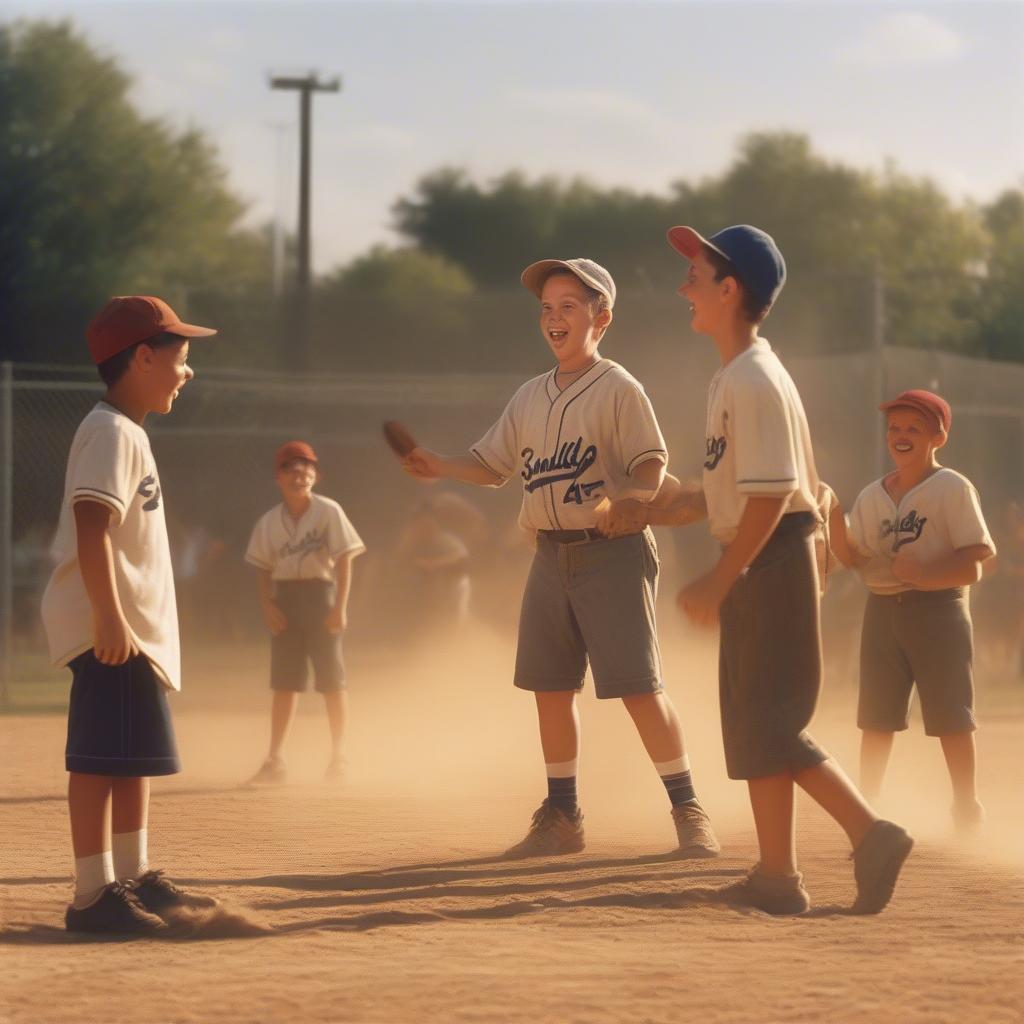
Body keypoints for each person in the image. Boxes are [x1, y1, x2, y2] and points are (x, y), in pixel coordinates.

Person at [613, 225, 913, 914]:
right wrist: (650, 506)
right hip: (759, 555)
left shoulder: (753, 378)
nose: (684, 285)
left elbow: (775, 496)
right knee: (754, 725)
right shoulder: (732, 376)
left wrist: (723, 580)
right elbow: (727, 495)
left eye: (697, 273)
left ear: (730, 289)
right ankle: (777, 877)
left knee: (773, 723)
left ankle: (873, 832)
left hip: (770, 558)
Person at [400, 257, 720, 859]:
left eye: (569, 305)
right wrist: (439, 464)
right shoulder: (528, 396)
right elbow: (493, 467)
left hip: (612, 555)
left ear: (602, 317)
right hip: (549, 555)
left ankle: (689, 810)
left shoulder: (619, 388)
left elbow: (651, 462)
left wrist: (631, 496)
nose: (554, 318)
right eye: (547, 308)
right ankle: (564, 817)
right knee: (551, 690)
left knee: (638, 688)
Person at [40, 295, 219, 934]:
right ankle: (92, 895)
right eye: (181, 357)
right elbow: (94, 527)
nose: (187, 371)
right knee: (98, 759)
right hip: (109, 629)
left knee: (130, 758)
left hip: (129, 630)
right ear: (144, 356)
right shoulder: (109, 430)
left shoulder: (126, 430)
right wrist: (109, 617)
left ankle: (134, 875)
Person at [824, 390, 995, 831]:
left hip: (939, 611)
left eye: (913, 429)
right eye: (895, 428)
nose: (901, 436)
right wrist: (830, 513)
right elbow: (854, 557)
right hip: (882, 611)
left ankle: (966, 807)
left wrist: (926, 570)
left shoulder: (951, 487)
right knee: (876, 717)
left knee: (951, 716)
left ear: (938, 436)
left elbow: (976, 561)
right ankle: (869, 810)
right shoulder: (871, 495)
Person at [245, 441, 365, 785]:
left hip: (320, 596)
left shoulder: (328, 511)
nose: (298, 474)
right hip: (285, 600)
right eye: (290, 468)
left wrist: (340, 606)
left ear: (316, 475)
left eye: (305, 468)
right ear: (278, 478)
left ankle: (339, 756)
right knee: (284, 682)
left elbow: (343, 559)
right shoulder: (269, 522)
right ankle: (275, 759)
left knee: (332, 680)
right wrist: (267, 604)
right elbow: (263, 568)